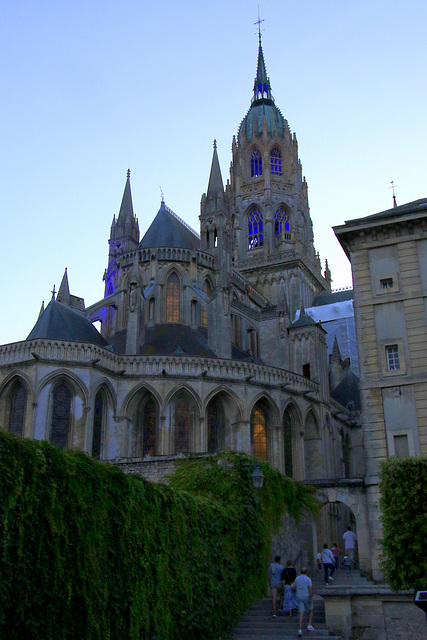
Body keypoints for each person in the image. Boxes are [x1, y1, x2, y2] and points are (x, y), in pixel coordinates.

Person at [292, 566, 315, 636]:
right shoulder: (308, 579)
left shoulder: (297, 578)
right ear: (306, 572)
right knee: (311, 609)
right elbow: (310, 589)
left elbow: (294, 588)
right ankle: (309, 625)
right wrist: (311, 598)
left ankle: (300, 629)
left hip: (299, 596)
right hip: (306, 596)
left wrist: (295, 590)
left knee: (301, 612)